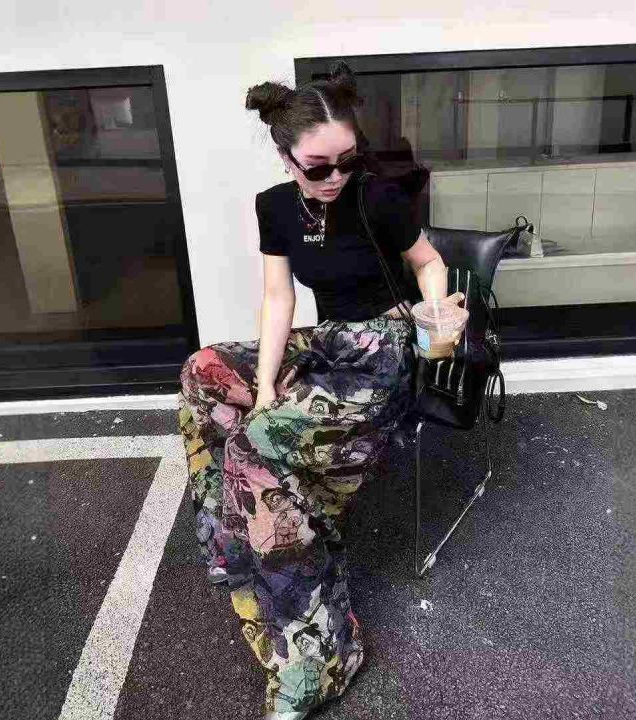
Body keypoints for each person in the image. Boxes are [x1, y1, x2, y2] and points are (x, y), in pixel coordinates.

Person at [177, 59, 464, 719]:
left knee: (254, 447)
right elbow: (278, 299)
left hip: (384, 350)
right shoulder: (275, 207)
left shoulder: (378, 197)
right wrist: (265, 383)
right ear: (287, 159)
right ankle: (235, 535)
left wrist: (435, 310)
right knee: (203, 370)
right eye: (318, 167)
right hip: (329, 340)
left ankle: (324, 655)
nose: (336, 177)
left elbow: (429, 262)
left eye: (346, 161)